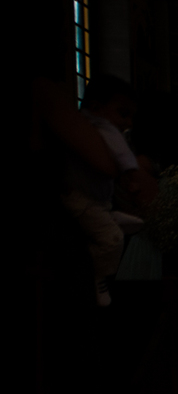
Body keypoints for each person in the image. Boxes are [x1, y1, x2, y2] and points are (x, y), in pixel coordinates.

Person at [62, 75, 147, 306]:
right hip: (84, 202)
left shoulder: (86, 124)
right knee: (112, 240)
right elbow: (122, 157)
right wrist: (131, 178)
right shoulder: (102, 127)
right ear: (96, 107)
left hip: (91, 201)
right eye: (123, 113)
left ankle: (109, 217)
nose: (128, 123)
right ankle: (100, 278)